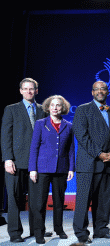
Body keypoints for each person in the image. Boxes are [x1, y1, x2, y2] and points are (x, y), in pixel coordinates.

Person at [1, 78, 48, 243]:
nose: (29, 91)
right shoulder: (11, 109)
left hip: (38, 163)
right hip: (16, 162)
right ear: (20, 91)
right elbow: (5, 136)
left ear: (36, 91)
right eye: (25, 89)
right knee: (14, 198)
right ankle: (15, 233)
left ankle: (37, 230)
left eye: (32, 89)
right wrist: (7, 159)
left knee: (37, 199)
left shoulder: (44, 110)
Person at [72, 81, 110, 244]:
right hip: (88, 163)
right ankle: (81, 232)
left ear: (107, 91)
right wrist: (99, 154)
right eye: (97, 89)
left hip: (107, 164)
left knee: (104, 200)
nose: (100, 91)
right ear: (92, 92)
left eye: (103, 89)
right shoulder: (82, 109)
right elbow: (81, 135)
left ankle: (101, 230)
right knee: (83, 200)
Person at [28, 95, 75, 244]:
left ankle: (59, 229)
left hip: (61, 169)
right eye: (52, 105)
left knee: (59, 201)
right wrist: (32, 169)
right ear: (48, 107)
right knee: (40, 203)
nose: (55, 108)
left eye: (58, 105)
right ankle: (39, 232)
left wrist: (71, 168)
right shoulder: (40, 124)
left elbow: (71, 150)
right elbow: (34, 148)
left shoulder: (69, 125)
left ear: (63, 108)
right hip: (42, 169)